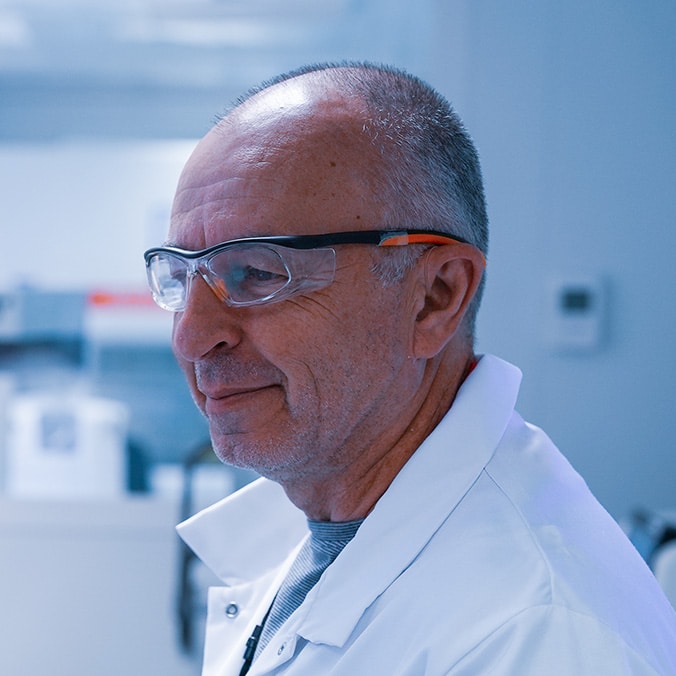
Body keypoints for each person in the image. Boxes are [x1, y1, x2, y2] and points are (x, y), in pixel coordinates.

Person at [144, 62, 676, 675]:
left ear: (435, 298)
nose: (192, 336)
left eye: (258, 272)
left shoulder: (537, 637)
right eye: (181, 277)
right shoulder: (333, 519)